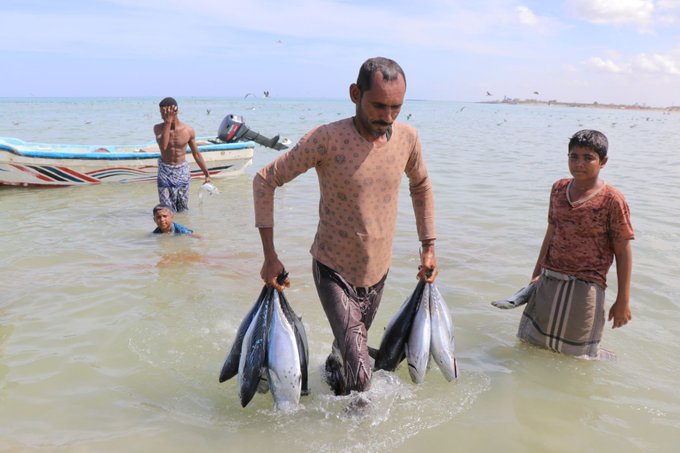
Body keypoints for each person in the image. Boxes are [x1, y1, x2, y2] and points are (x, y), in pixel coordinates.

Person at [253, 57, 438, 396]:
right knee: (362, 375)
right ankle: (356, 441)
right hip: (333, 268)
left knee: (348, 357)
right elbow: (265, 180)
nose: (387, 116)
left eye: (396, 107)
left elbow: (421, 186)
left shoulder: (408, 139)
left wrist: (428, 247)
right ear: (355, 94)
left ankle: (331, 372)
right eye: (379, 105)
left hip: (378, 271)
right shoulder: (327, 139)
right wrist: (270, 256)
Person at [517, 129, 634, 360]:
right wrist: (536, 274)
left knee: (577, 358)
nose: (579, 163)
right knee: (530, 346)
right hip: (549, 278)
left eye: (588, 158)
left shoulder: (612, 200)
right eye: (574, 157)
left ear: (603, 162)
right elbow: (551, 232)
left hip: (586, 286)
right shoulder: (559, 188)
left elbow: (623, 251)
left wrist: (623, 300)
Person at [153, 97, 211, 212]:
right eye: (161, 112)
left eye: (166, 112)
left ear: (176, 111)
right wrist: (168, 122)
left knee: (182, 209)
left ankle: (181, 227)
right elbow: (164, 146)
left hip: (182, 172)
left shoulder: (188, 130)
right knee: (166, 209)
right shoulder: (158, 128)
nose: (163, 115)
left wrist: (207, 174)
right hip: (165, 172)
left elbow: (196, 153)